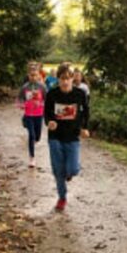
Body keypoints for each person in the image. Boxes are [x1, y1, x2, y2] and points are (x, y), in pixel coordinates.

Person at [44, 63, 90, 212]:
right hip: (55, 137)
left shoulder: (80, 94)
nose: (65, 82)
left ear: (73, 79)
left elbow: (86, 112)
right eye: (62, 78)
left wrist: (85, 128)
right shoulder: (52, 94)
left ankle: (70, 172)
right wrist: (49, 122)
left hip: (73, 137)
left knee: (73, 169)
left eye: (68, 78)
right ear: (57, 79)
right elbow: (47, 113)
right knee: (58, 171)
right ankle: (62, 198)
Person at [18, 66, 47, 168]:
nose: (33, 77)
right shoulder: (25, 87)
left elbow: (46, 99)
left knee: (37, 137)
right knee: (32, 135)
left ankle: (34, 140)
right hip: (29, 114)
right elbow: (20, 99)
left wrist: (43, 104)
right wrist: (21, 104)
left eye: (35, 75)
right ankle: (32, 157)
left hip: (39, 114)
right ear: (28, 75)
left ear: (39, 75)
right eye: (31, 75)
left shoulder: (42, 87)